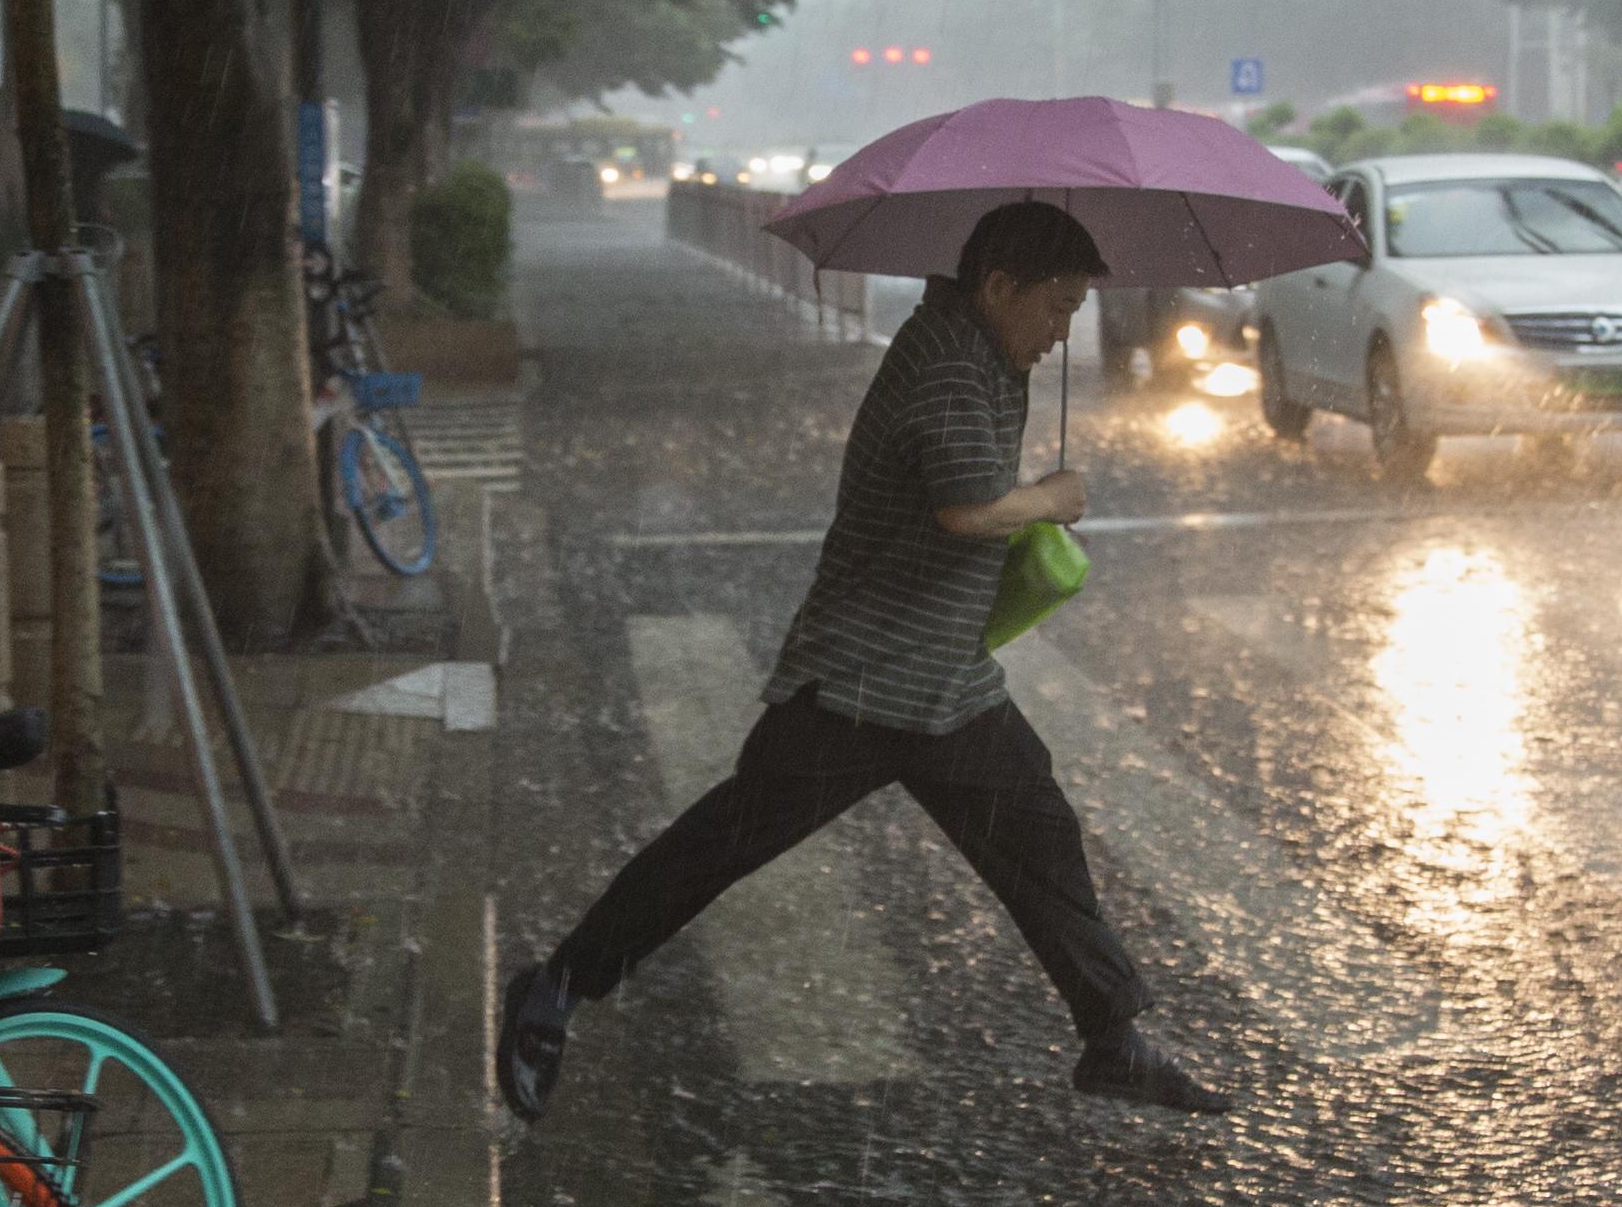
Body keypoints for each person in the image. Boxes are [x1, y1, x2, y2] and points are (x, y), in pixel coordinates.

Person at [496, 201, 1228, 1124]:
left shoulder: (984, 352)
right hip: (862, 679)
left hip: (942, 679)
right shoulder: (951, 364)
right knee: (722, 843)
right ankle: (555, 985)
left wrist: (1030, 495)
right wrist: (1049, 496)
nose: (1061, 330)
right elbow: (965, 509)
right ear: (998, 286)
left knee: (1037, 829)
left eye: (1076, 310)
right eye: (1055, 306)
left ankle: (1112, 1038)